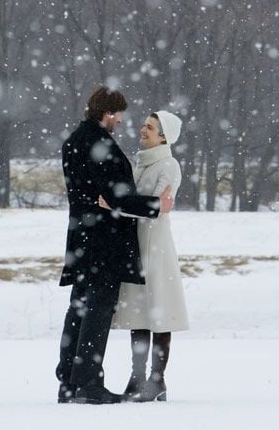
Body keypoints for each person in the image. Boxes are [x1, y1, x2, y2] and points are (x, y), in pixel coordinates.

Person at [56, 87, 174, 405]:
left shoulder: (73, 141)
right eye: (118, 114)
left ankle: (68, 380)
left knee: (78, 309)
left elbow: (100, 194)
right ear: (108, 113)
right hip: (104, 242)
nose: (121, 121)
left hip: (81, 237)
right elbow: (117, 197)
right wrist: (155, 206)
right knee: (97, 310)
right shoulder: (100, 144)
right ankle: (89, 383)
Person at [100, 111, 189, 402]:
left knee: (159, 312)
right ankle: (137, 377)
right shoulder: (139, 162)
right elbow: (142, 202)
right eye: (144, 125)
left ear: (164, 136)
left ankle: (156, 379)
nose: (143, 130)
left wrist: (116, 204)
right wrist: (124, 203)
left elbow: (158, 206)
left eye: (150, 127)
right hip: (135, 244)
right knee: (139, 314)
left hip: (156, 246)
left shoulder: (169, 165)